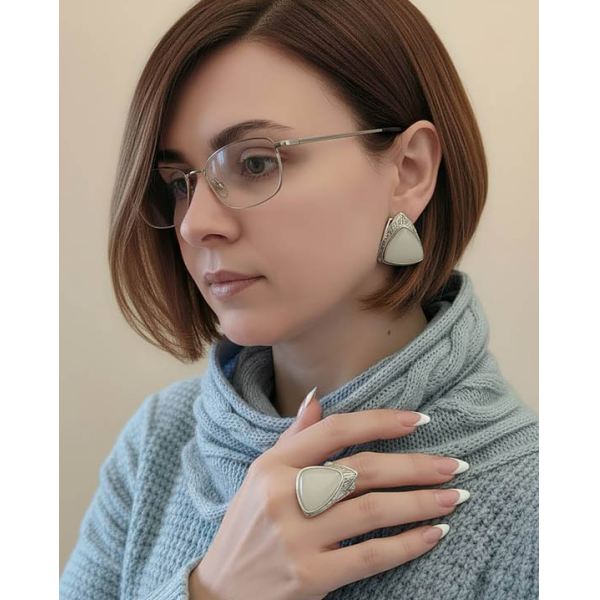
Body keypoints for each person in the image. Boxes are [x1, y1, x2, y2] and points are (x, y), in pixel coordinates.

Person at [60, 1, 538, 598]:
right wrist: (215, 592)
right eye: (179, 183)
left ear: (409, 170)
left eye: (257, 162)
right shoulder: (158, 442)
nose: (195, 223)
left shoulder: (542, 511)